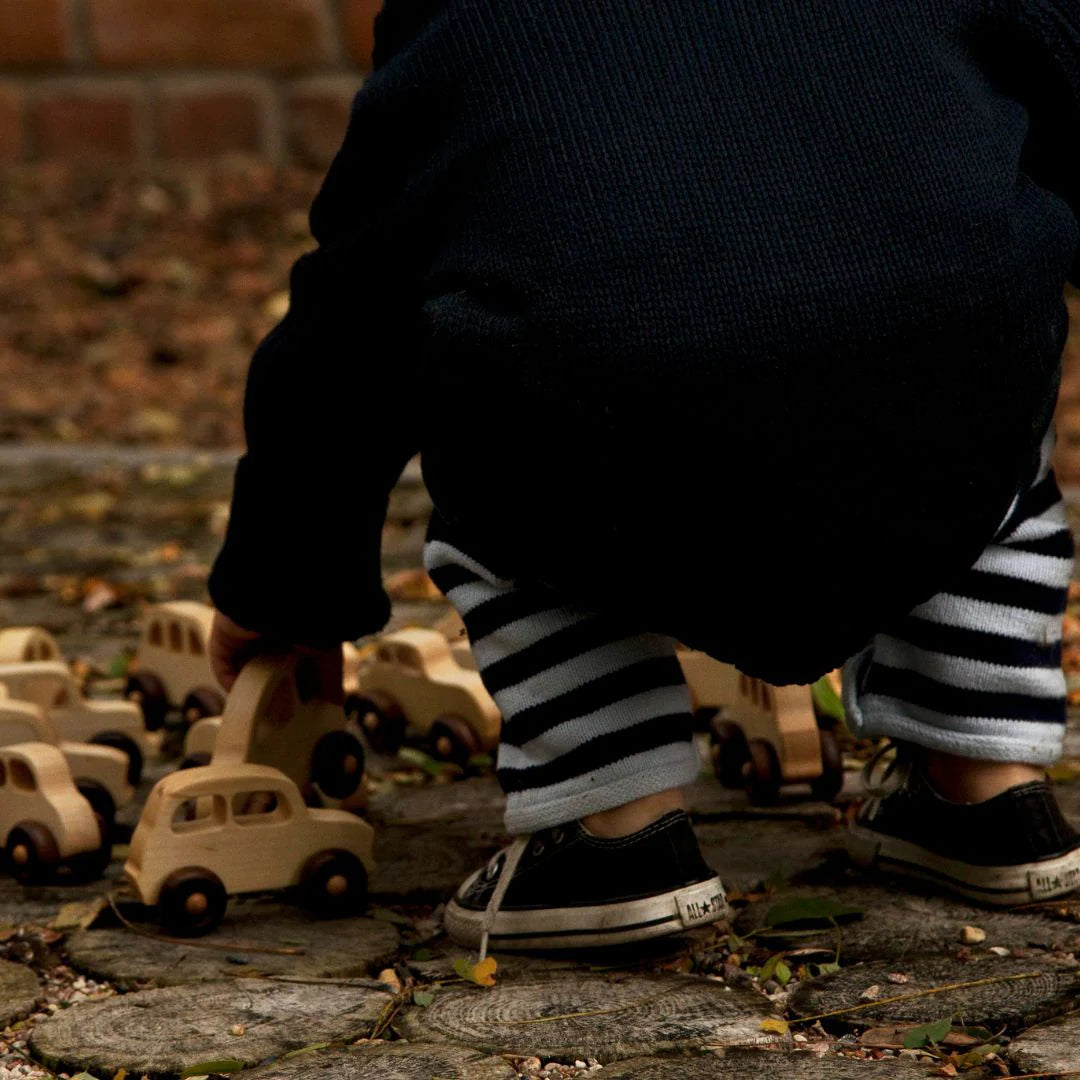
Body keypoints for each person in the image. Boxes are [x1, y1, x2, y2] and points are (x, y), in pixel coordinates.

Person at [208, 0, 1080, 954]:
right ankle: (987, 786)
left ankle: (610, 831)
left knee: (503, 450)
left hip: (607, 440)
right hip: (936, 414)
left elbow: (352, 321)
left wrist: (285, 588)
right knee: (983, 411)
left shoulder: (458, 21)